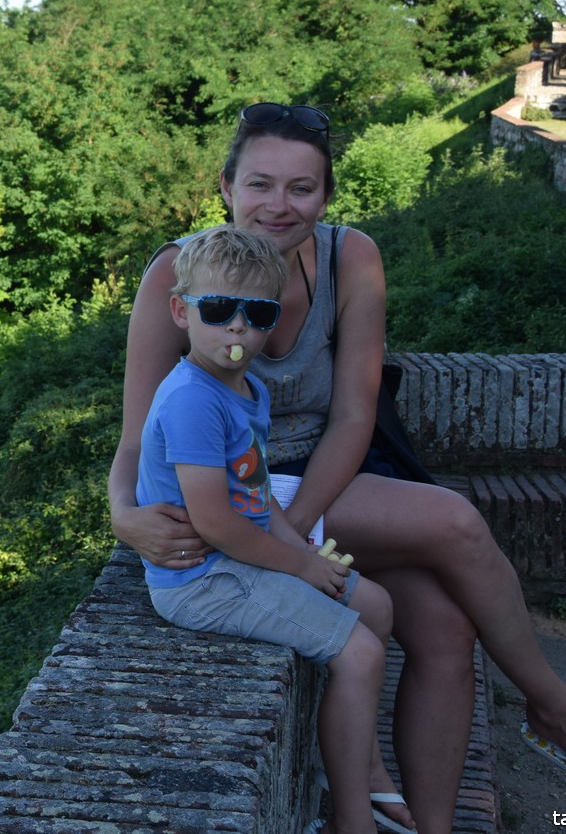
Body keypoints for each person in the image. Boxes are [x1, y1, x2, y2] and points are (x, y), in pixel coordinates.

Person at [108, 103, 566, 834]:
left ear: (327, 194)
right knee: (457, 523)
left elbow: (352, 415)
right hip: (241, 495)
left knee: (443, 628)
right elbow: (136, 434)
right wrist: (122, 515)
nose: (280, 205)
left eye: (302, 188)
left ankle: (428, 825)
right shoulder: (175, 278)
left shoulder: (351, 258)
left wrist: (295, 537)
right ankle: (553, 707)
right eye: (262, 184)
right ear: (226, 185)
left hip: (322, 483)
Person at [139, 224, 393, 834]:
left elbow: (252, 492)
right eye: (219, 309)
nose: (236, 327)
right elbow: (215, 522)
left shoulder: (244, 385)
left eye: (256, 313)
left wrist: (292, 541)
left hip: (241, 555)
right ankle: (352, 817)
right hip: (203, 578)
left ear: (272, 320)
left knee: (379, 609)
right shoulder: (194, 399)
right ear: (182, 310)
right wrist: (303, 565)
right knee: (359, 653)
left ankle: (358, 756)